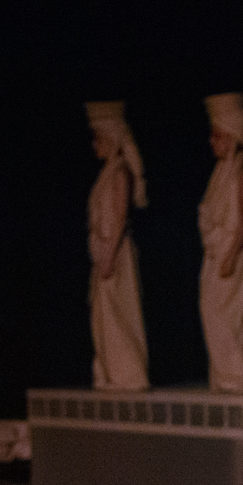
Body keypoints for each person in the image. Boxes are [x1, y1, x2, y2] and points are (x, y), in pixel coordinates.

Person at [199, 92, 243, 393]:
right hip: (217, 253)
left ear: (231, 136)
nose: (212, 142)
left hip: (235, 251)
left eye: (217, 136)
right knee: (212, 311)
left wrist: (230, 254)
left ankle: (240, 375)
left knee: (232, 314)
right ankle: (225, 373)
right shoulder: (221, 172)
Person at [85, 100, 150, 391]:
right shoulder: (108, 172)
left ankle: (128, 374)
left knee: (117, 315)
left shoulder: (121, 172)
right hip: (104, 252)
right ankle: (112, 371)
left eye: (98, 138)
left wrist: (110, 255)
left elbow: (120, 216)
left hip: (116, 252)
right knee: (103, 316)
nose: (95, 145)